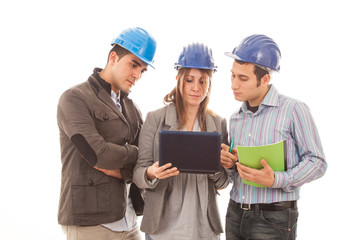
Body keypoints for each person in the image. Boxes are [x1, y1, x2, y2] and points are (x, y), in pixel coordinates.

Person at [220, 34, 327, 239]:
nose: (234, 84)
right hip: (234, 214)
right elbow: (235, 177)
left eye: (243, 78)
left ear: (265, 79)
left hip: (273, 219)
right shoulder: (235, 118)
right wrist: (229, 164)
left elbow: (318, 162)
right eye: (233, 75)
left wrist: (277, 179)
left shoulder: (294, 109)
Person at [57, 27, 157, 240]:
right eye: (133, 64)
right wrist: (135, 153)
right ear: (113, 57)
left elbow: (147, 161)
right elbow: (97, 154)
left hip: (129, 222)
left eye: (143, 70)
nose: (137, 75)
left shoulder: (132, 108)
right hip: (91, 224)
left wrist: (124, 171)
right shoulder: (74, 99)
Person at [133, 43, 229, 240]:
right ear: (178, 80)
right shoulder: (155, 119)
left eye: (203, 81)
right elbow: (138, 174)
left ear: (209, 84)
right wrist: (152, 172)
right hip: (163, 225)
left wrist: (217, 164)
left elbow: (223, 183)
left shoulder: (218, 124)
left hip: (203, 226)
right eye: (189, 80)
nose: (196, 88)